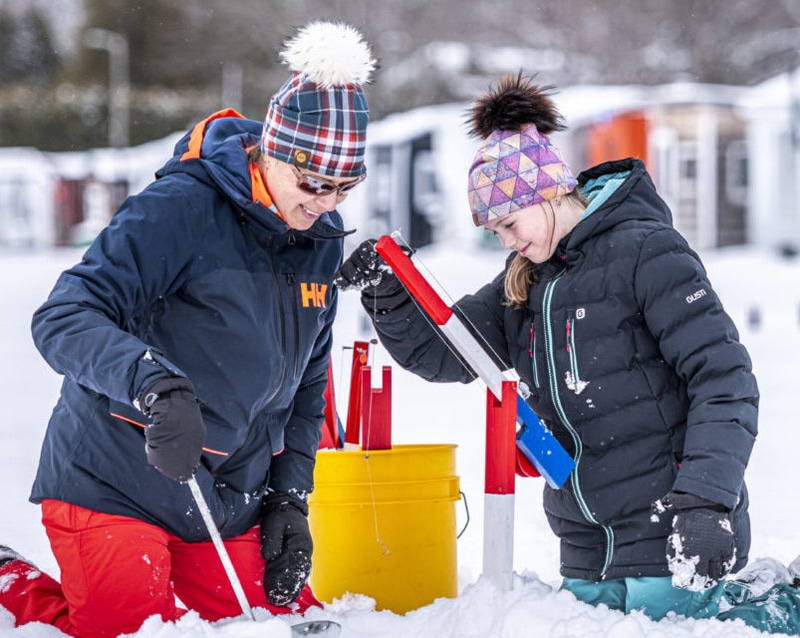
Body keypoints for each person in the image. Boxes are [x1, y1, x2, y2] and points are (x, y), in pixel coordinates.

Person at [334, 73, 800, 634]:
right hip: (585, 553)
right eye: (492, 230)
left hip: (668, 541)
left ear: (548, 191)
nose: (504, 240)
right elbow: (447, 352)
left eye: (508, 222)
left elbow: (725, 381)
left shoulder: (647, 252)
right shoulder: (525, 284)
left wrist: (705, 503)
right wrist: (389, 291)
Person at [0, 20, 375, 638]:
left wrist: (288, 498)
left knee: (271, 625)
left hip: (225, 496)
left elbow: (308, 387)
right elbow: (64, 314)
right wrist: (150, 383)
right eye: (314, 183)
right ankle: (12, 587)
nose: (327, 202)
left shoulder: (319, 240)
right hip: (115, 475)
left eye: (344, 186)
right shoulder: (184, 208)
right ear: (274, 150)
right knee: (134, 629)